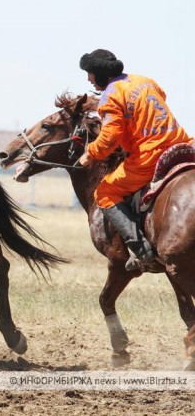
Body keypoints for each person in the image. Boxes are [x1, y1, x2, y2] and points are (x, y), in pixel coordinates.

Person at [77, 49, 193, 271]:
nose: (89, 79)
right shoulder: (145, 81)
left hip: (149, 156)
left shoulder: (110, 95)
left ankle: (142, 252)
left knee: (105, 192)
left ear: (100, 73)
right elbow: (159, 99)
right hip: (182, 146)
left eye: (90, 73)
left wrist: (90, 153)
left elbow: (109, 138)